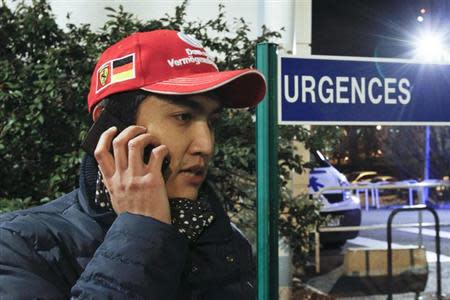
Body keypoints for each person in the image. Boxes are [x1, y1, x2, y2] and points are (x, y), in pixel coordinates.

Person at [0, 29, 266, 299]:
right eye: (183, 116)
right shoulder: (17, 246)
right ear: (112, 128)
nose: (206, 145)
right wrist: (142, 229)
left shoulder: (225, 241)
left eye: (211, 121)